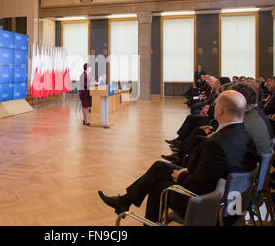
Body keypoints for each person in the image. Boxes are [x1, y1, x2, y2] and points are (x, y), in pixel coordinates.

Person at [98, 90, 258, 224]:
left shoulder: (216, 144)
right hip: (234, 203)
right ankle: (124, 201)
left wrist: (182, 176)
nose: (214, 107)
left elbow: (199, 187)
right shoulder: (247, 137)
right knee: (159, 166)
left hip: (210, 204)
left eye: (216, 104)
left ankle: (131, 207)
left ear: (221, 110)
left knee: (158, 187)